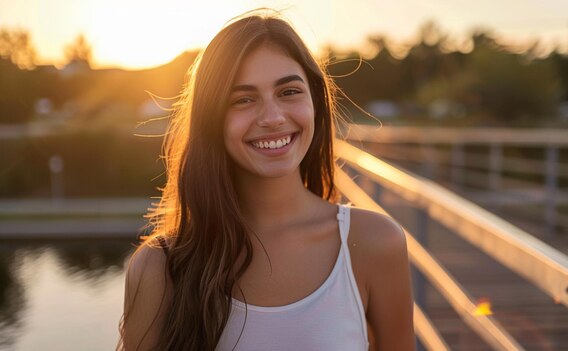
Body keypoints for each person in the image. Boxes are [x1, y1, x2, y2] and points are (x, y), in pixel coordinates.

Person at [118, 10, 415, 351]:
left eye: (289, 92)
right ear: (212, 118)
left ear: (315, 102)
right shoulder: (160, 266)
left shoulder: (374, 243)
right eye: (243, 99)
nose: (273, 118)